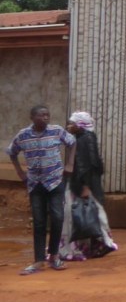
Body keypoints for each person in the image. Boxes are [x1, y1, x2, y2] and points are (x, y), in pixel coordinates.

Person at [8, 105, 77, 274]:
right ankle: (39, 260)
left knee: (57, 217)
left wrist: (69, 164)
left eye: (47, 115)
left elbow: (72, 142)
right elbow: (11, 152)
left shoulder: (56, 131)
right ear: (32, 117)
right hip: (35, 184)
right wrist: (19, 172)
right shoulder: (23, 135)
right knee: (39, 222)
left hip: (55, 181)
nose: (46, 118)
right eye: (41, 115)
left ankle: (54, 256)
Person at [60, 111, 117, 259]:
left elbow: (90, 164)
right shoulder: (80, 137)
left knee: (84, 214)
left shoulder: (86, 139)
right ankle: (93, 245)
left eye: (71, 123)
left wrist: (85, 186)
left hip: (83, 184)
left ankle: (92, 245)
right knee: (85, 214)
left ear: (80, 125)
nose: (69, 126)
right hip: (79, 182)